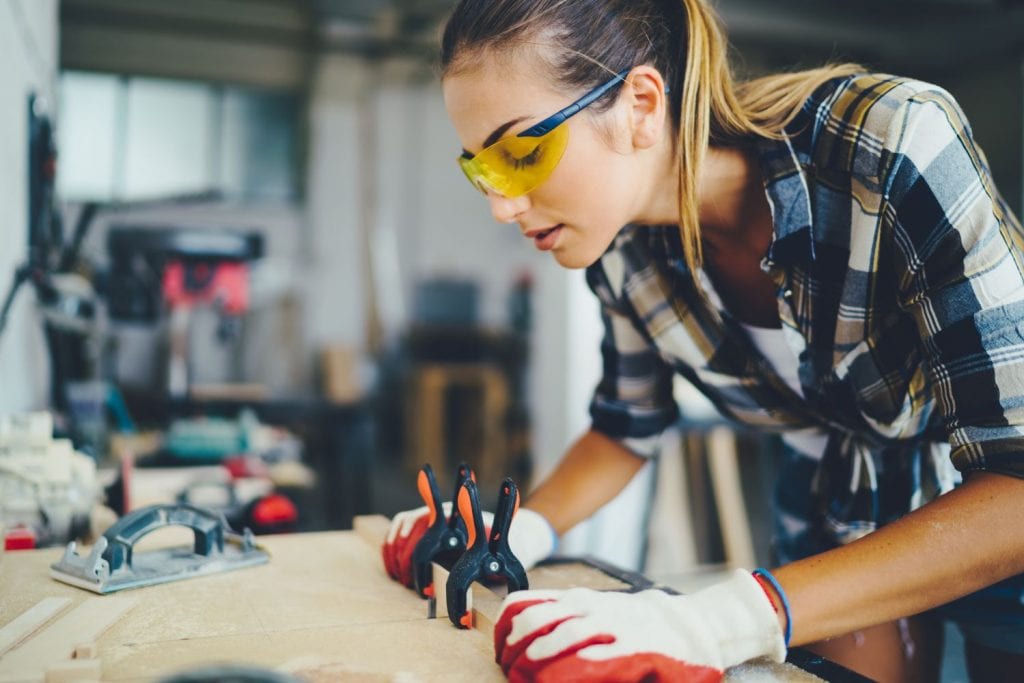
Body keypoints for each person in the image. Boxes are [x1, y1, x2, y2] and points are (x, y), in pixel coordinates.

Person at [382, 0, 1024, 680]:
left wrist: (716, 619)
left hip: (988, 503)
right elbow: (625, 427)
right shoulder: (621, 249)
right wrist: (510, 535)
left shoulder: (889, 144)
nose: (502, 205)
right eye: (482, 169)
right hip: (834, 502)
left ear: (640, 105)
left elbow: (1015, 482)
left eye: (521, 153)